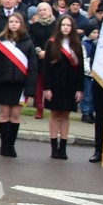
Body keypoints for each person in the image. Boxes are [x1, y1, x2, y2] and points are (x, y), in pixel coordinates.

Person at [0, 12, 38, 158]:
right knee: (4, 114)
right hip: (4, 84)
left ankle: (11, 145)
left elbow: (33, 68)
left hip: (19, 86)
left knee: (15, 115)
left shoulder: (28, 43)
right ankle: (3, 144)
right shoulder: (1, 42)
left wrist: (30, 88)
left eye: (16, 22)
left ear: (21, 24)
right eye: (11, 22)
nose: (14, 24)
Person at [42, 15, 84, 160]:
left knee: (66, 115)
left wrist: (80, 89)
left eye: (68, 25)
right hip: (54, 84)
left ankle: (63, 147)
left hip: (70, 85)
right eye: (63, 25)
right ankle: (54, 146)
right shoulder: (51, 44)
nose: (66, 27)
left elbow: (80, 69)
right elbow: (46, 68)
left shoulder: (77, 45)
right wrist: (46, 88)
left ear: (72, 28)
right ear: (59, 27)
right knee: (54, 114)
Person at [28, 2, 57, 119]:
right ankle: (39, 109)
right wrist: (39, 52)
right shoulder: (33, 27)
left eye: (45, 10)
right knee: (39, 86)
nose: (42, 12)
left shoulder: (56, 26)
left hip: (54, 59)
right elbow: (31, 41)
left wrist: (49, 52)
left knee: (53, 85)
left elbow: (58, 40)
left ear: (50, 11)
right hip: (39, 59)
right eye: (40, 10)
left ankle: (54, 110)